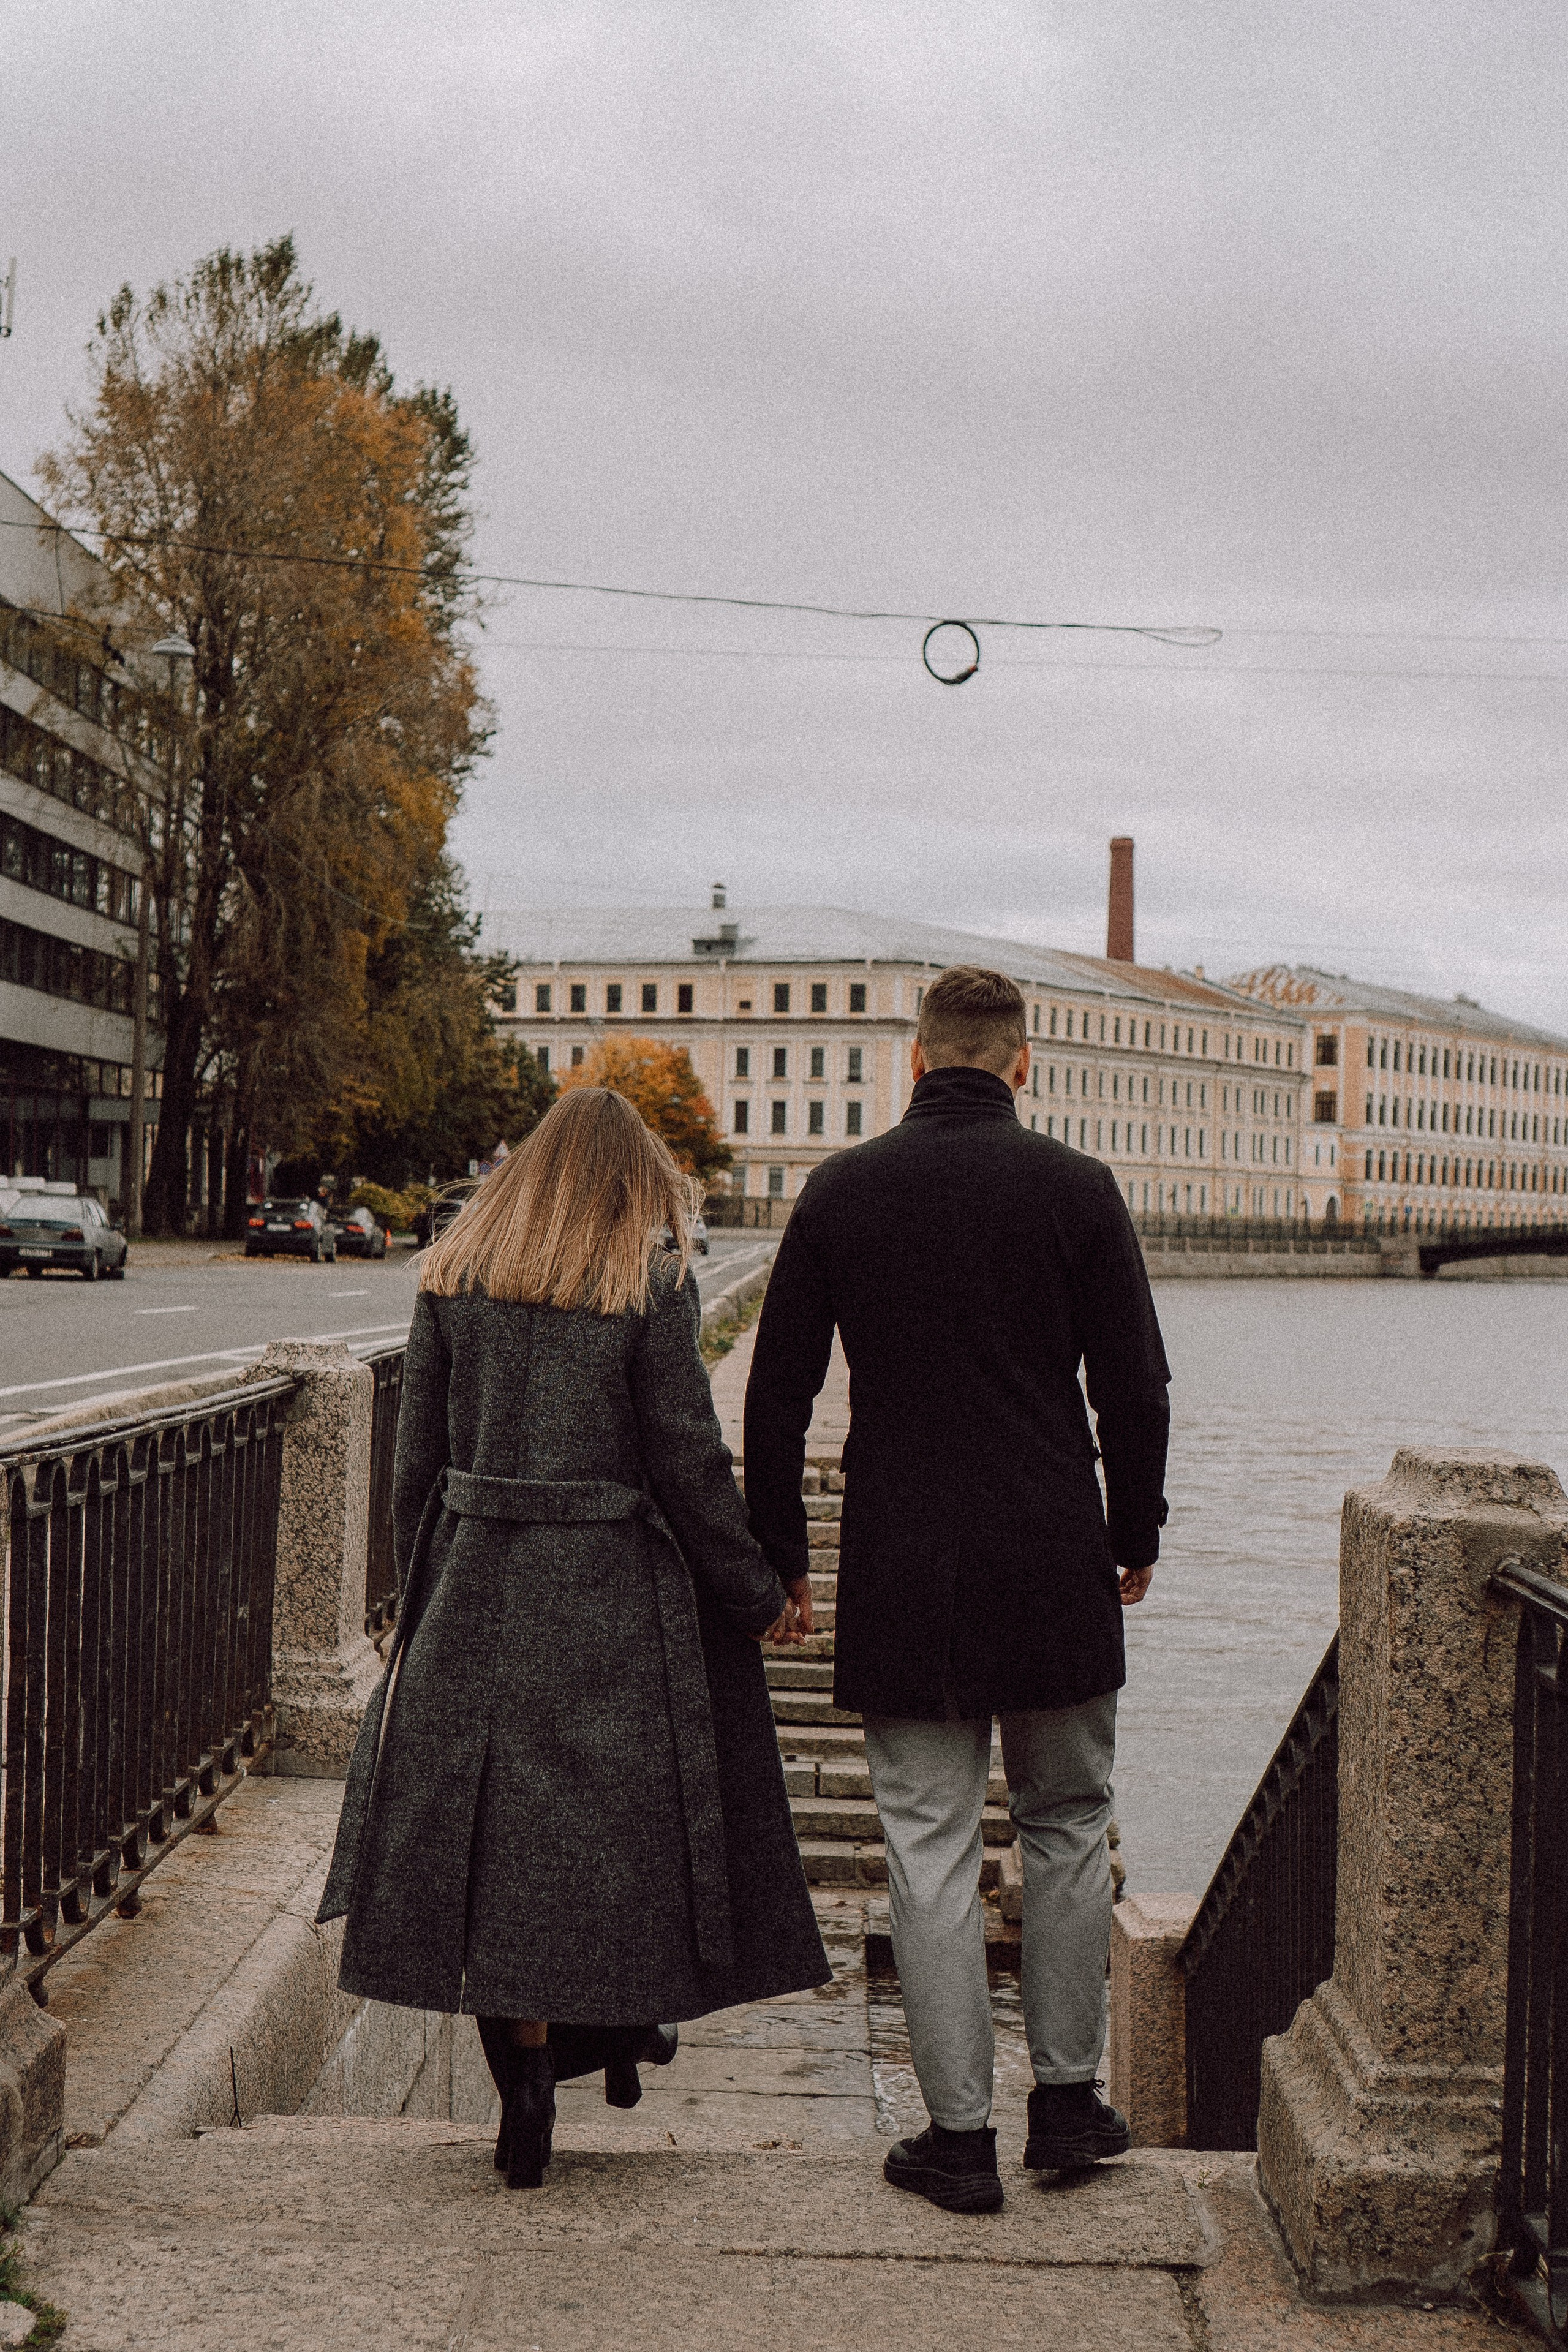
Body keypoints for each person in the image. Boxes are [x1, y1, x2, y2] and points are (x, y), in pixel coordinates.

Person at [318, 1087, 827, 2188]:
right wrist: (753, 1595)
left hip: (477, 1577)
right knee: (618, 1836)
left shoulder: (454, 1274)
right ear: (632, 1180)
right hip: (610, 1587)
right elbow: (689, 1464)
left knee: (487, 1848)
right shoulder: (647, 1282)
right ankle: (624, 2028)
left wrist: (422, 1594)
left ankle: (531, 2083)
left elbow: (416, 1460)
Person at [743, 965, 1170, 2214]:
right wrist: (1131, 1529)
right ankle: (1069, 2105)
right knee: (1067, 1822)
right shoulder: (1077, 1191)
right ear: (1021, 1064)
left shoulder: (840, 1191)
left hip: (902, 1558)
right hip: (1052, 1552)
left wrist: (784, 1558)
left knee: (924, 1843)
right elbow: (1132, 1389)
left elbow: (775, 1398)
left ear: (914, 1062)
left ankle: (956, 2138)